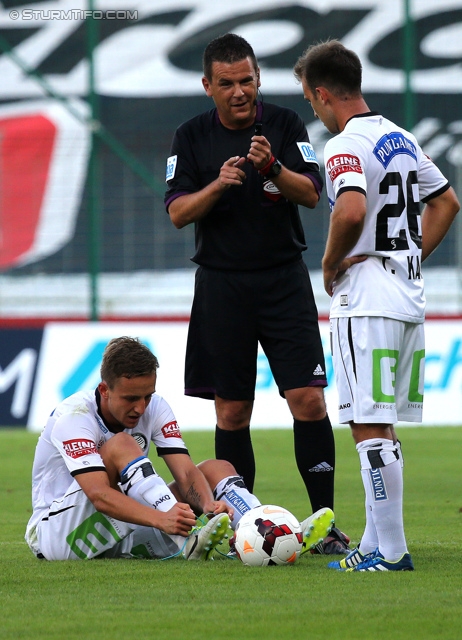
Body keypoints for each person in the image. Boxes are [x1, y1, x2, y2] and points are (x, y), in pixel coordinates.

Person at [164, 33, 348, 554]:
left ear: (258, 78)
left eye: (248, 80)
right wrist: (218, 186)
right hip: (222, 286)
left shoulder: (286, 125)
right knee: (231, 413)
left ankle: (324, 522)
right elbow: (177, 211)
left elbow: (313, 194)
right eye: (227, 83)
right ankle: (248, 524)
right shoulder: (191, 136)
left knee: (308, 399)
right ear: (208, 86)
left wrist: (272, 168)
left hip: (283, 282)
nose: (240, 91)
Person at [293, 40, 460, 571]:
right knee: (381, 424)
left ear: (322, 93)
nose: (312, 110)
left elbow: (350, 209)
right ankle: (372, 543)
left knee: (366, 424)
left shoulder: (343, 145)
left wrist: (329, 262)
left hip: (365, 297)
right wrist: (408, 255)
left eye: (310, 100)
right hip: (407, 295)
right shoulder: (403, 138)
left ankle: (390, 552)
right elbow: (447, 201)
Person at [25, 336, 334, 561]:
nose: (141, 407)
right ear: (104, 390)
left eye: (147, 395)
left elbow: (186, 472)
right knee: (122, 444)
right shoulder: (74, 417)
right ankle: (184, 533)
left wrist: (210, 507)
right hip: (59, 536)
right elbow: (99, 495)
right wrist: (164, 518)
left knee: (216, 469)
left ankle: (268, 531)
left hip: (123, 523)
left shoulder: (155, 407)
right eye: (131, 398)